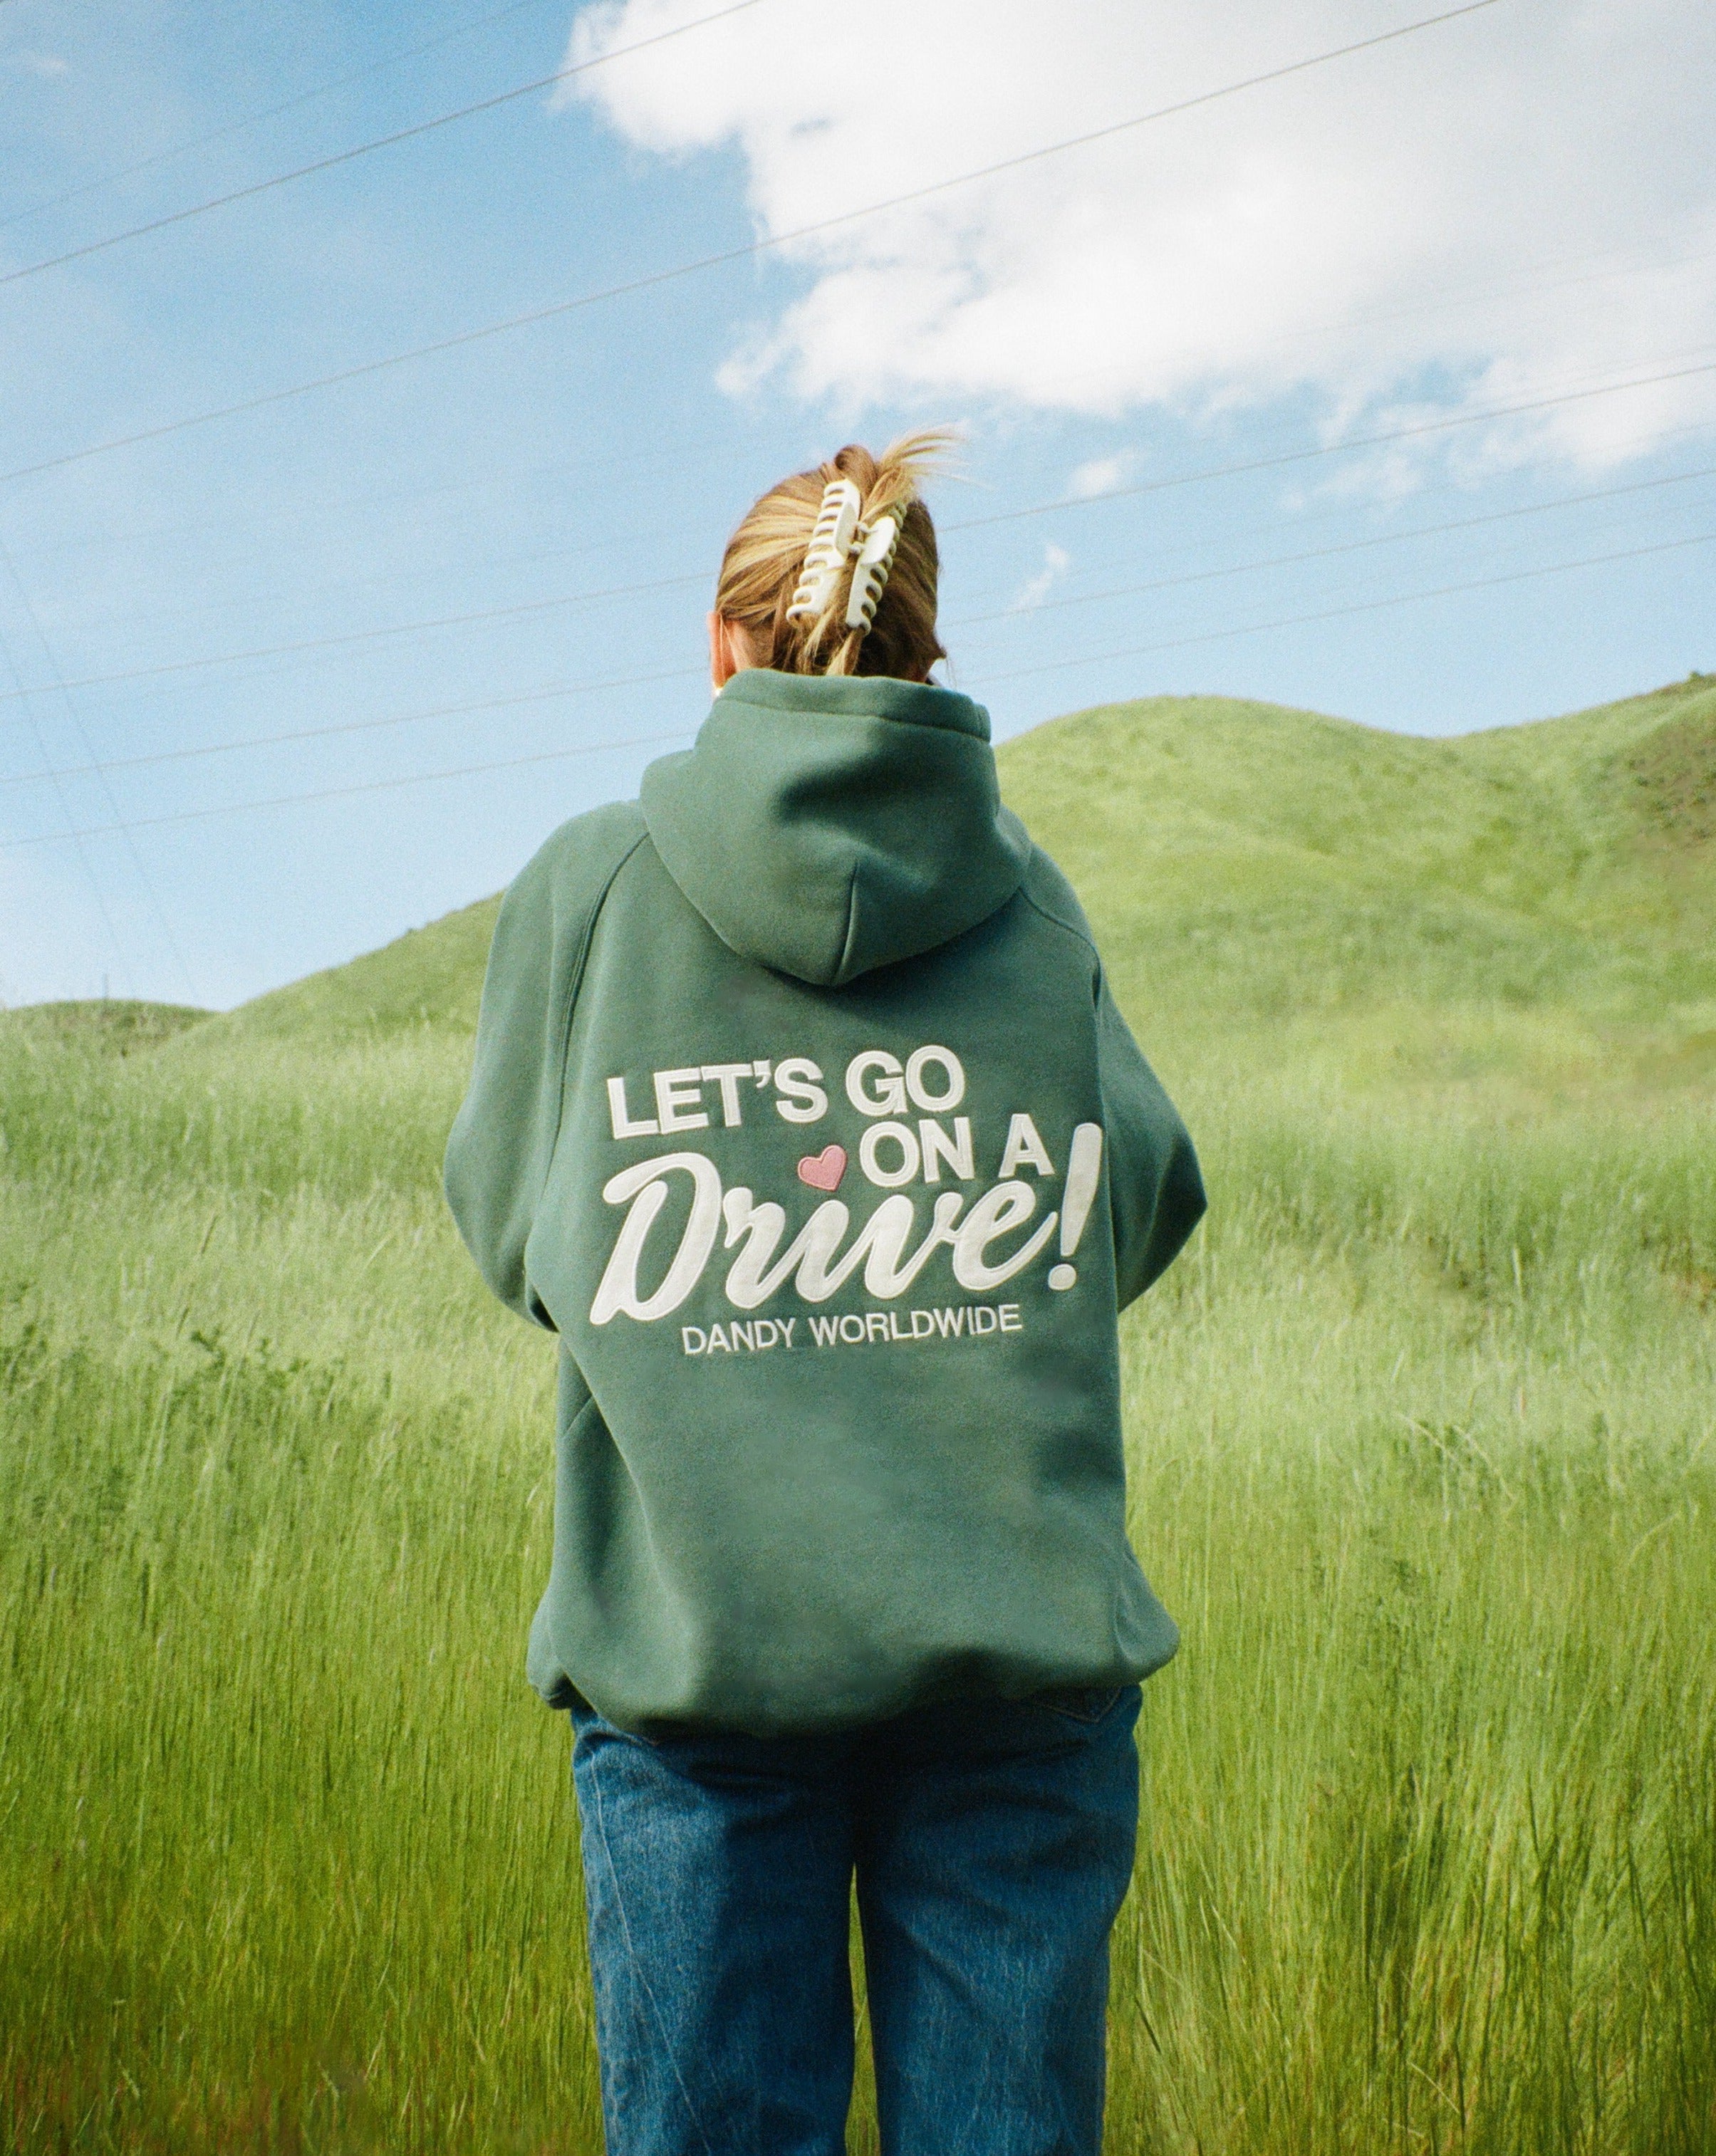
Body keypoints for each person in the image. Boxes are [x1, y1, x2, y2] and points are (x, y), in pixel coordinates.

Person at [443, 433, 1205, 2156]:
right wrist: (954, 1269)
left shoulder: (595, 884)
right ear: (925, 659)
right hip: (1016, 1679)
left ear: (719, 643)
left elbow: (512, 1226)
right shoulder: (1022, 886)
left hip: (702, 1678)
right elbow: (1139, 1193)